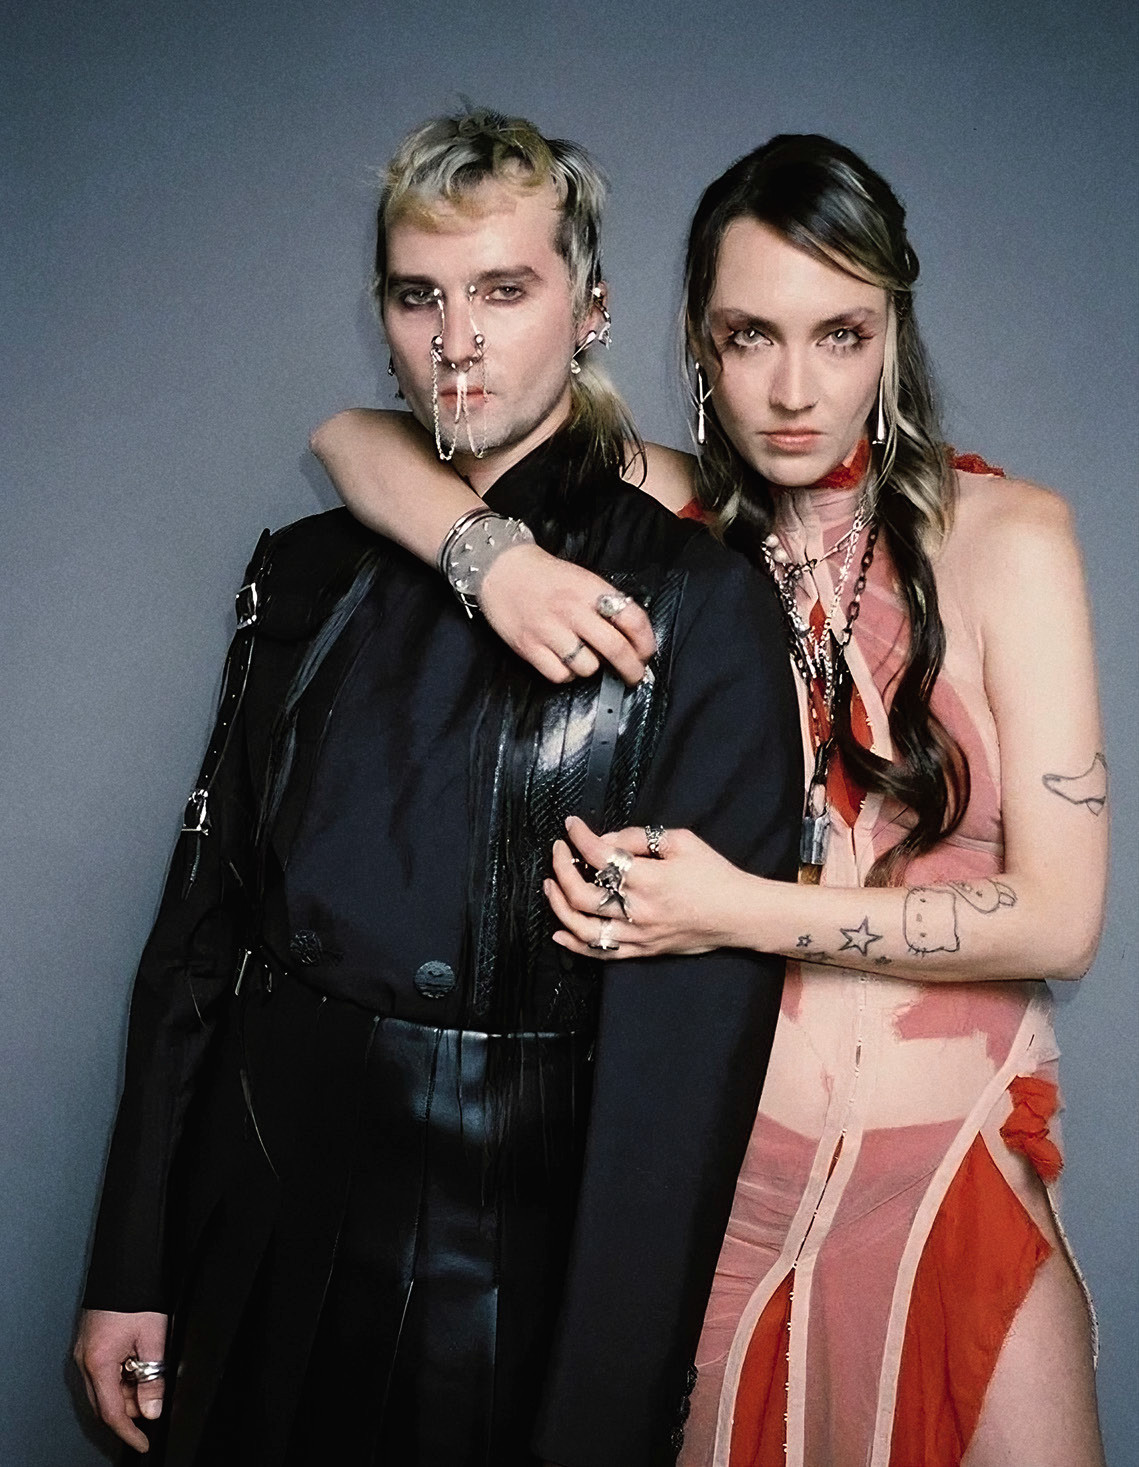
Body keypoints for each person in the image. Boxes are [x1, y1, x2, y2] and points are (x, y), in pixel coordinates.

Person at [311, 135, 1108, 1466]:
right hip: (730, 1206)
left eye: (841, 334)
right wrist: (493, 559)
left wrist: (731, 908)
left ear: (893, 331)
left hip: (942, 1181)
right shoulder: (674, 512)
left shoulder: (1009, 540)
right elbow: (354, 437)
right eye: (750, 337)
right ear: (695, 338)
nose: (795, 390)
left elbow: (1059, 922)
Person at [73, 110, 803, 1467]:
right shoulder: (302, 568)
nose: (457, 340)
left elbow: (685, 1073)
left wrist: (604, 1404)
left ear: (590, 311)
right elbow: (201, 930)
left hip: (496, 1271)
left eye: (503, 292)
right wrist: (134, 1258)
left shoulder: (699, 605)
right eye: (421, 298)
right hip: (252, 1220)